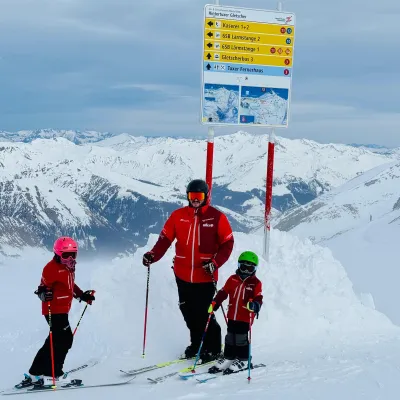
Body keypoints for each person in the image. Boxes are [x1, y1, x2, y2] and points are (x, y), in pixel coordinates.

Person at [142, 179, 234, 363]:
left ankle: (214, 348)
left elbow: (227, 243)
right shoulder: (178, 216)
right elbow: (165, 239)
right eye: (192, 196)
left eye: (199, 196)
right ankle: (196, 344)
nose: (195, 200)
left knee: (204, 313)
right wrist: (153, 255)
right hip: (182, 274)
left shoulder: (217, 218)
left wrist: (215, 263)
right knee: (188, 311)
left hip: (205, 276)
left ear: (206, 196)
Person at [16, 237, 96, 389]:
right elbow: (41, 288)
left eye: (73, 254)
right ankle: (54, 375)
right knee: (65, 340)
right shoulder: (50, 268)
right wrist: (43, 294)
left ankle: (35, 373)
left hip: (62, 309)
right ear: (58, 254)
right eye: (66, 255)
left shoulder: (69, 267)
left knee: (53, 341)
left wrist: (81, 295)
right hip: (53, 309)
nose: (70, 258)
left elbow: (70, 285)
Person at [207, 251, 263, 375]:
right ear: (239, 266)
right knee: (230, 337)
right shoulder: (232, 279)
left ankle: (243, 360)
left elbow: (259, 297)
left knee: (241, 338)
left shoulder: (255, 283)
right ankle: (228, 357)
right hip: (232, 315)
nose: (246, 271)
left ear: (254, 269)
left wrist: (255, 305)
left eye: (250, 268)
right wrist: (215, 303)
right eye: (243, 267)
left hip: (245, 317)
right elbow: (223, 292)